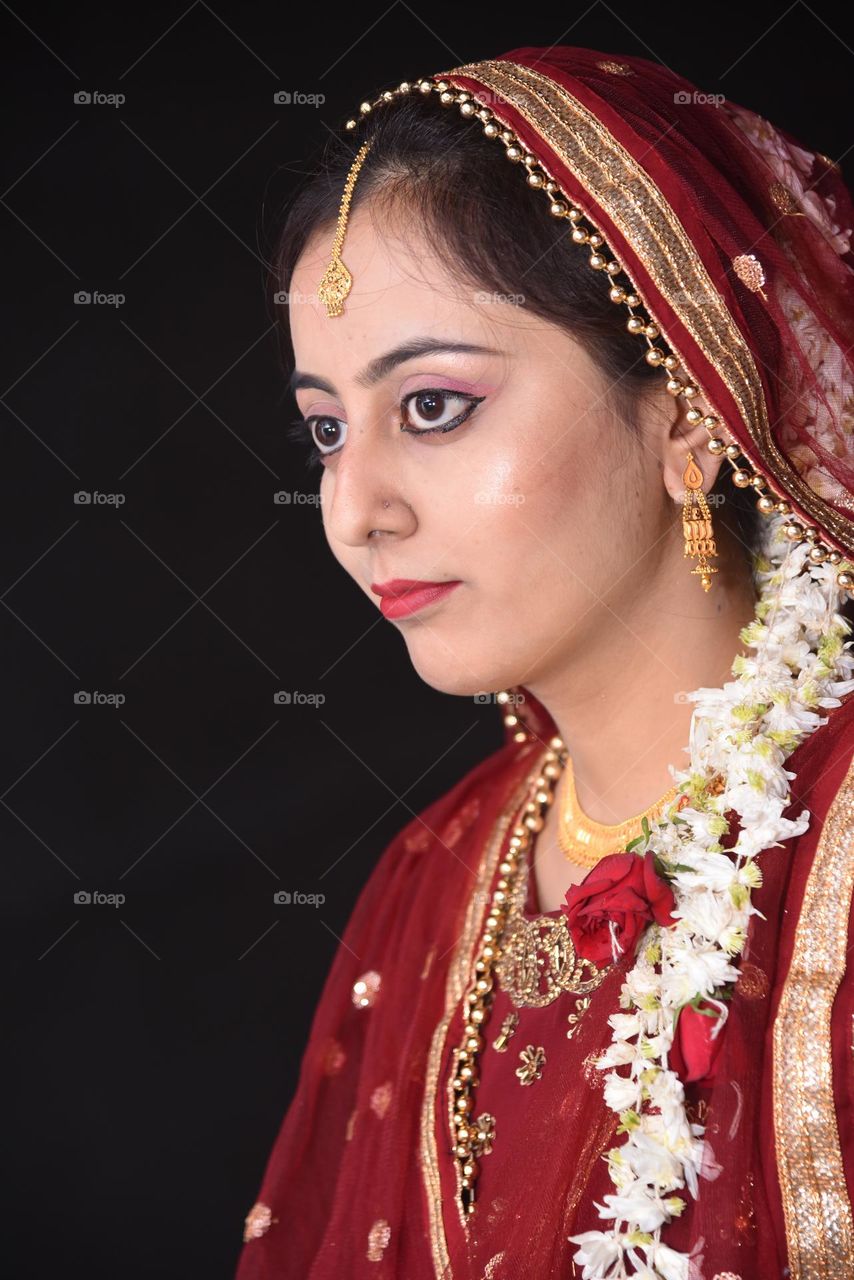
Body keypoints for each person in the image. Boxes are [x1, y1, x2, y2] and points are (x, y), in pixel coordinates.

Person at [234, 44, 854, 1280]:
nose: (354, 510)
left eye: (430, 406)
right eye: (323, 429)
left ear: (683, 400)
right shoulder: (437, 871)